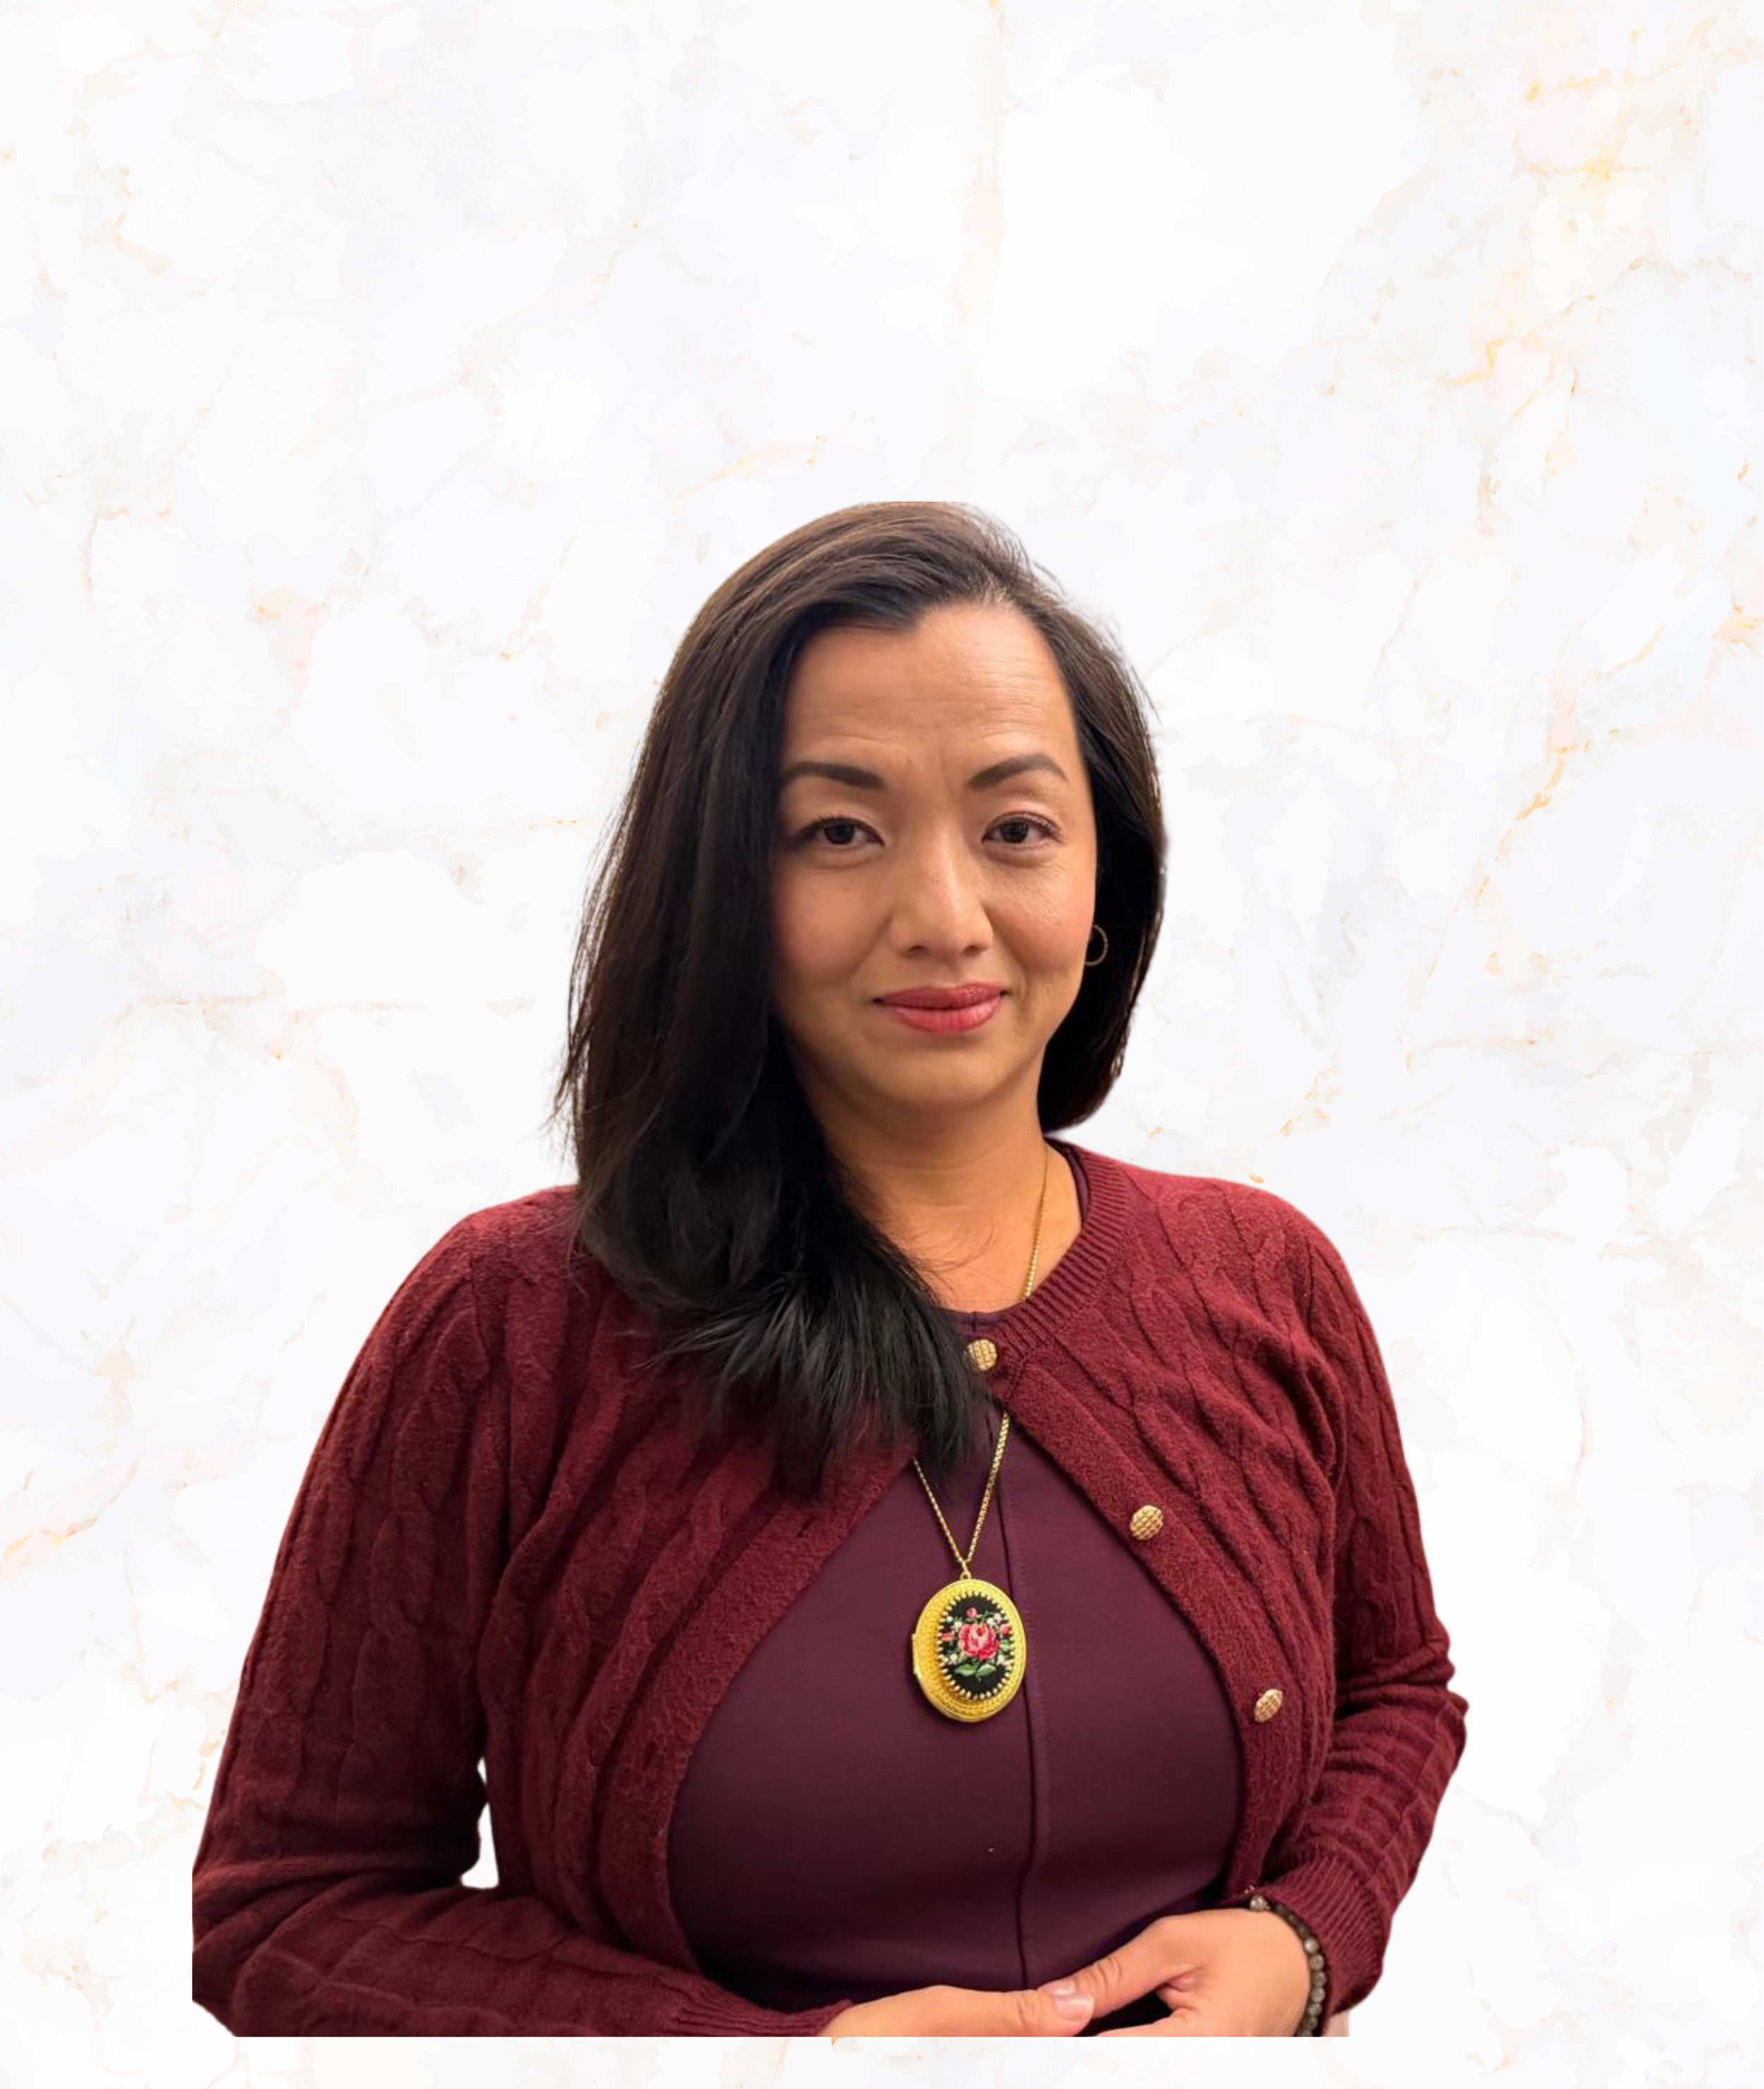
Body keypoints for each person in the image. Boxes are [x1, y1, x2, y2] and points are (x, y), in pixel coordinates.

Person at [191, 501, 1468, 2037]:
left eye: (1014, 828)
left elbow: (1397, 1687)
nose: (943, 916)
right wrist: (774, 2064)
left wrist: (1306, 1939)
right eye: (839, 831)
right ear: (725, 881)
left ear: (1104, 881)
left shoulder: (1263, 1280)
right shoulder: (514, 1323)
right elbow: (289, 1911)